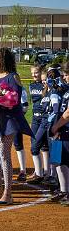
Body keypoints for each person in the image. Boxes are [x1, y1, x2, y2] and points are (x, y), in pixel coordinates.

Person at [0, 48, 33, 205]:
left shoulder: (12, 77)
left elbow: (13, 100)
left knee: (3, 153)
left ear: (4, 60)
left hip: (7, 121)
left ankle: (8, 193)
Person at [28, 65, 62, 185]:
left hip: (54, 125)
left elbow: (57, 110)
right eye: (44, 80)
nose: (45, 82)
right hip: (45, 123)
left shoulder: (55, 93)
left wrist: (55, 125)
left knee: (56, 153)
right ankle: (46, 175)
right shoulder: (46, 93)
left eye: (46, 80)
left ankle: (55, 179)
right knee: (37, 146)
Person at [50, 62, 69, 204]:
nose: (64, 77)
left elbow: (68, 113)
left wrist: (55, 127)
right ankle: (64, 191)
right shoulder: (65, 89)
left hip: (65, 129)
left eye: (67, 74)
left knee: (66, 162)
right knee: (59, 162)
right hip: (61, 130)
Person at [13, 86, 29, 181]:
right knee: (1, 146)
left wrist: (18, 116)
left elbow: (25, 105)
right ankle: (1, 169)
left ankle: (23, 171)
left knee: (18, 144)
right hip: (2, 120)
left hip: (15, 120)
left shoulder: (20, 88)